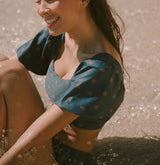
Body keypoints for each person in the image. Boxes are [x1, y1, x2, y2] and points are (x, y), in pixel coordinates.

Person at [0, 0, 125, 164]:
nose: (42, 9)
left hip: (61, 158)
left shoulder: (101, 69)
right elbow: (6, 64)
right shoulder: (59, 36)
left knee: (11, 75)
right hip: (46, 141)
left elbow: (38, 135)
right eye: (38, 1)